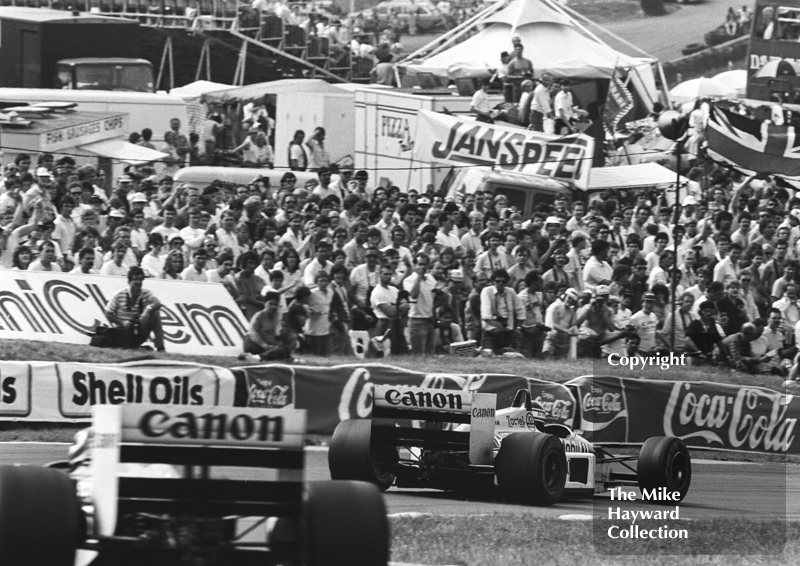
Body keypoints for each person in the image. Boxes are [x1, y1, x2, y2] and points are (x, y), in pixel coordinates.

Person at [103, 267, 165, 352]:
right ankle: (136, 347)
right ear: (129, 281)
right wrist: (122, 322)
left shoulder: (146, 293)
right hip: (123, 331)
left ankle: (160, 347)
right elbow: (107, 313)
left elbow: (158, 303)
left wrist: (147, 309)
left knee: (155, 313)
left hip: (139, 330)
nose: (138, 282)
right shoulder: (119, 294)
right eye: (135, 279)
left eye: (140, 279)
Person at [480, 268, 525, 357]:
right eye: (498, 281)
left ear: (506, 282)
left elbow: (521, 311)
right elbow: (486, 316)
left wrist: (518, 327)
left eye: (503, 282)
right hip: (491, 332)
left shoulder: (511, 291)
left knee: (510, 357)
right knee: (488, 357)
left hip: (507, 332)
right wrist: (499, 326)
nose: (500, 283)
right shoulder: (487, 291)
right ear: (493, 281)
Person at [240, 292, 295, 361]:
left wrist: (277, 343)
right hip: (253, 343)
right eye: (270, 304)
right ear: (265, 304)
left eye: (275, 304)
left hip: (267, 343)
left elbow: (275, 334)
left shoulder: (277, 315)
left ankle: (257, 357)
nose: (273, 307)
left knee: (286, 346)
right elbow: (252, 333)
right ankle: (257, 357)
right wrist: (264, 345)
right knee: (280, 350)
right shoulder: (259, 315)